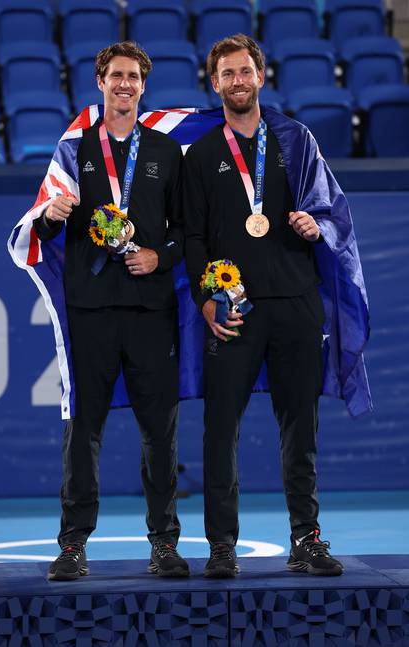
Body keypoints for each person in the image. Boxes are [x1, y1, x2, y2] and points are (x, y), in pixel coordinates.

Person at [183, 34, 350, 578]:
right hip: (234, 313)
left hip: (298, 307)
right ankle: (221, 546)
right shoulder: (204, 154)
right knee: (219, 429)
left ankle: (306, 537)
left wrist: (313, 224)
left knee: (301, 429)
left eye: (245, 71)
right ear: (215, 84)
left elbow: (330, 213)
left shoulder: (296, 140)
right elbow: (194, 239)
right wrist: (208, 300)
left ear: (262, 76)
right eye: (226, 74)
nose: (237, 81)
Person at [31, 41, 189, 580]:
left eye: (133, 78)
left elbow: (189, 235)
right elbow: (45, 224)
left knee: (159, 431)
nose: (124, 85)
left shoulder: (167, 154)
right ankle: (73, 544)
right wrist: (52, 213)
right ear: (100, 82)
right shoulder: (74, 149)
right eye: (115, 76)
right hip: (91, 309)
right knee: (84, 428)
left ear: (143, 87)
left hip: (150, 309)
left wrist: (159, 255)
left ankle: (164, 543)